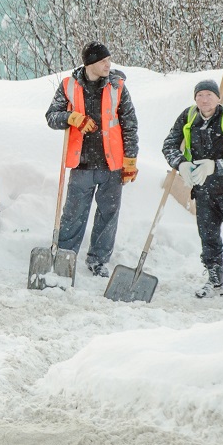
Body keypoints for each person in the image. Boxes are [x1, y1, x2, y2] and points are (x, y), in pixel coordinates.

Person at [44, 41, 139, 277]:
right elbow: (51, 117)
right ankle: (65, 255)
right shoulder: (68, 86)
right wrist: (72, 117)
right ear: (90, 64)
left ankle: (98, 260)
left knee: (108, 213)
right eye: (103, 61)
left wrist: (130, 161)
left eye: (109, 60)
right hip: (82, 162)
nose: (108, 64)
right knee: (73, 213)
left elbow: (130, 124)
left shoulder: (118, 87)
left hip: (112, 164)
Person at [162, 78, 223, 309]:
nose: (204, 100)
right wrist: (181, 164)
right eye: (200, 95)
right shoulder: (188, 117)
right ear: (195, 98)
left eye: (209, 95)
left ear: (218, 97)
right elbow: (169, 145)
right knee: (208, 237)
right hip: (202, 191)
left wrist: (214, 166)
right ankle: (214, 279)